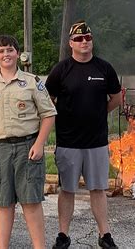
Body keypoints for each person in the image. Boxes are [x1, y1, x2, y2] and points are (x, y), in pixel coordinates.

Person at [0, 35, 56, 249]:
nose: (6, 54)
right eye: (1, 51)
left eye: (10, 50)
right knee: (3, 203)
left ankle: (39, 246)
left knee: (31, 202)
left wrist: (39, 144)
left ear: (17, 53)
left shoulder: (32, 82)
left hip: (27, 148)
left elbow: (48, 114)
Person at [45, 20, 121, 249]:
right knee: (67, 189)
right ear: (71, 43)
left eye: (87, 38)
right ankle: (63, 235)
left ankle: (104, 235)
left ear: (92, 41)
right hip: (68, 141)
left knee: (97, 189)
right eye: (79, 39)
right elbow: (47, 100)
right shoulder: (61, 70)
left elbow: (116, 98)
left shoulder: (104, 68)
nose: (84, 42)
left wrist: (98, 114)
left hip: (96, 141)